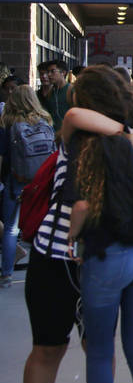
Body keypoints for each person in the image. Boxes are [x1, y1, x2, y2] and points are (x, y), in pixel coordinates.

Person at [66, 66, 133, 383]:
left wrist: (71, 238)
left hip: (106, 255)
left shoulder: (85, 143)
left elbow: (81, 206)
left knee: (99, 352)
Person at [0, 85, 53, 287]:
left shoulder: (8, 121)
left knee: (11, 230)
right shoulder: (45, 119)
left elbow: (2, 155)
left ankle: (6, 275)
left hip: (16, 180)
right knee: (43, 224)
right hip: (41, 181)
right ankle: (43, 273)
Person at [41, 60, 72, 133]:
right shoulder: (50, 92)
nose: (49, 75)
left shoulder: (71, 90)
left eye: (52, 71)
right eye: (48, 72)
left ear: (63, 73)